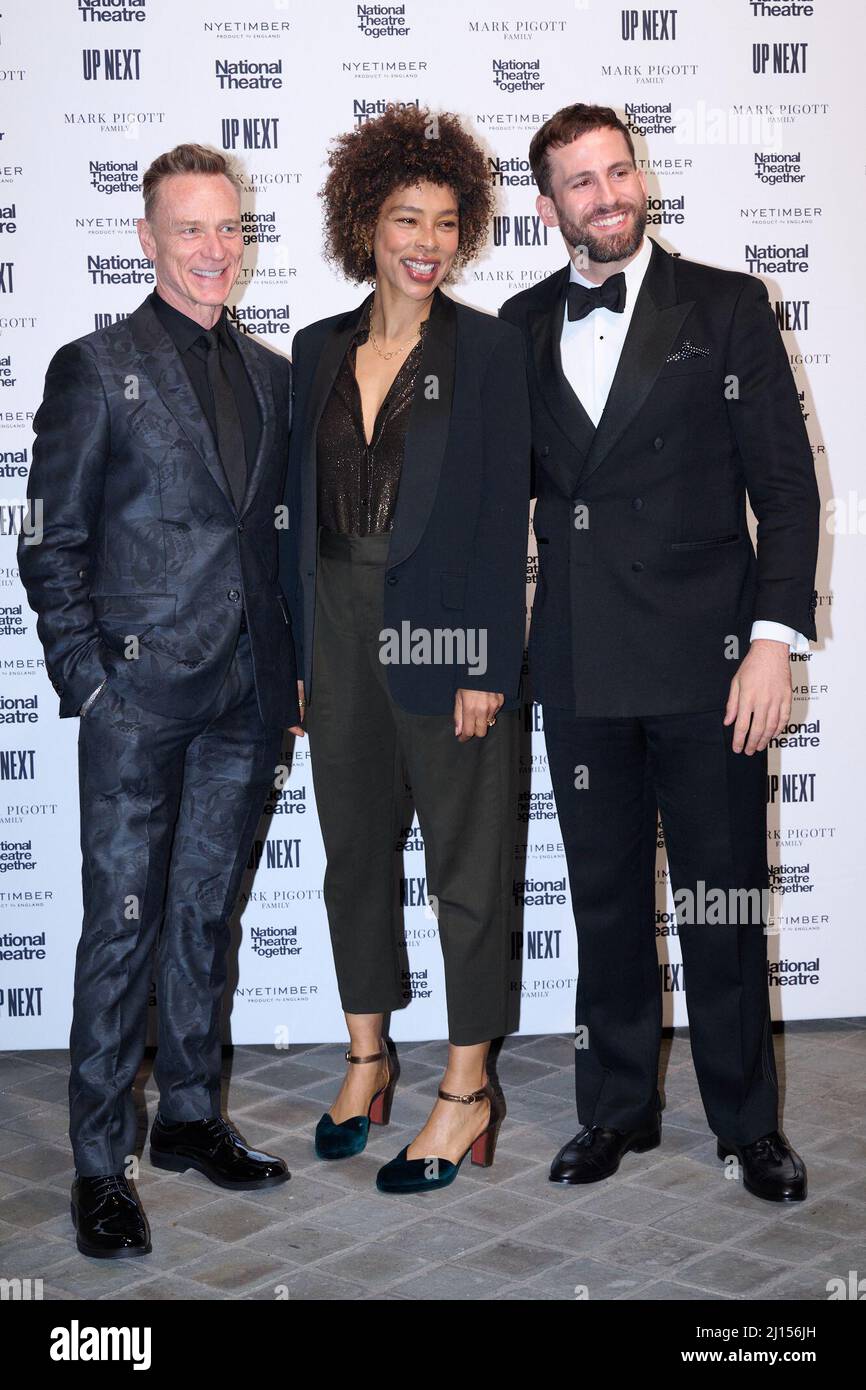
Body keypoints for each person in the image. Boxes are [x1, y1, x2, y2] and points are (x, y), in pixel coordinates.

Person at [500, 104, 819, 1202]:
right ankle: (616, 1109)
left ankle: (747, 1123)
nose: (608, 194)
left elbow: (784, 491)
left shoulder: (726, 307)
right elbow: (496, 509)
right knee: (603, 903)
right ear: (549, 210)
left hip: (712, 664)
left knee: (721, 902)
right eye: (580, 183)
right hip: (582, 669)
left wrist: (771, 645)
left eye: (617, 171)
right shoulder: (519, 322)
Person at [18, 144, 302, 1259]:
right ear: (146, 239)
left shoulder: (273, 374)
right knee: (120, 929)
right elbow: (51, 541)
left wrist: (286, 684)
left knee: (200, 916)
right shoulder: (95, 368)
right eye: (190, 229)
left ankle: (187, 1116)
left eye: (228, 228)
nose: (212, 249)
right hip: (136, 696)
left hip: (243, 698)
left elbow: (271, 546)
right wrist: (90, 683)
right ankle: (101, 1162)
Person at [280, 105, 530, 1194]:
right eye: (401, 219)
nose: (423, 241)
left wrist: (483, 659)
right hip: (334, 619)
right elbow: (296, 514)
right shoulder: (314, 348)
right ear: (363, 224)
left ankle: (466, 1090)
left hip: (445, 622)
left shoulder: (488, 349)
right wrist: (299, 649)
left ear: (464, 230)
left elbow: (499, 511)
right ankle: (367, 1060)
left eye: (442, 221)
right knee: (352, 854)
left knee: (467, 869)